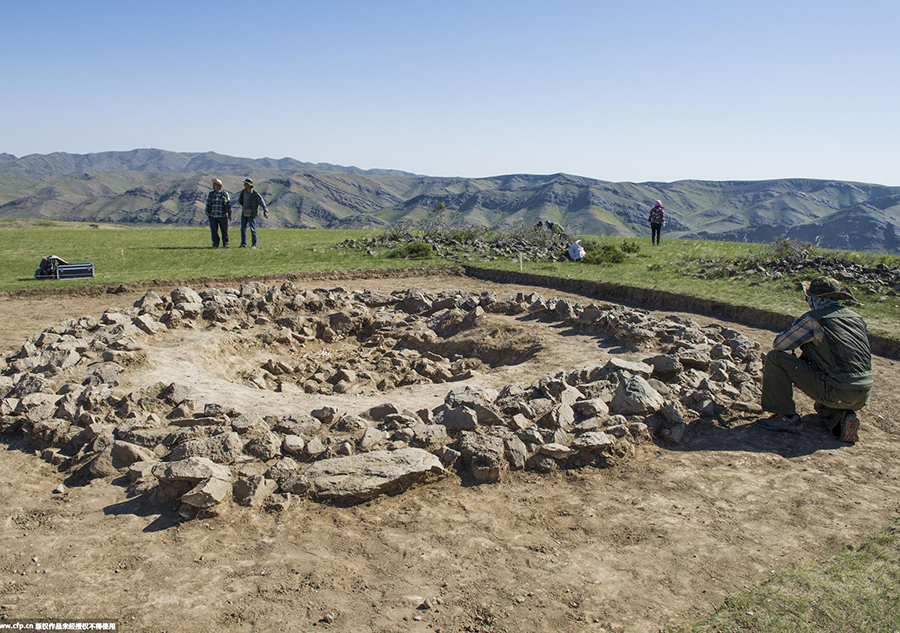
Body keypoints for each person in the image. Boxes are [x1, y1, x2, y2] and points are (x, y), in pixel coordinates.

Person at [757, 276, 872, 443]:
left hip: (836, 388)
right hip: (863, 393)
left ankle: (786, 417)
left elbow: (780, 344)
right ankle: (844, 417)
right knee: (822, 406)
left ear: (815, 299)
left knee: (775, 358)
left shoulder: (814, 319)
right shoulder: (856, 318)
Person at [236, 178, 269, 249]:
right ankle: (243, 244)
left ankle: (254, 244)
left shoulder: (255, 194)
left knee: (252, 229)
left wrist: (265, 211)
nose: (244, 185)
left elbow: (261, 202)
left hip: (252, 213)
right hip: (245, 212)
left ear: (249, 185)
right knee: (243, 228)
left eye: (245, 184)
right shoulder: (243, 192)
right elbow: (240, 200)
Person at [205, 178, 232, 248]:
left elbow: (228, 204)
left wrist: (229, 214)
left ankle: (226, 243)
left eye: (215, 185)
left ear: (219, 186)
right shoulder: (211, 194)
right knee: (214, 231)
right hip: (213, 215)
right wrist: (207, 211)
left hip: (222, 215)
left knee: (224, 230)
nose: (213, 186)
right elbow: (208, 204)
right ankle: (215, 243)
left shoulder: (225, 194)